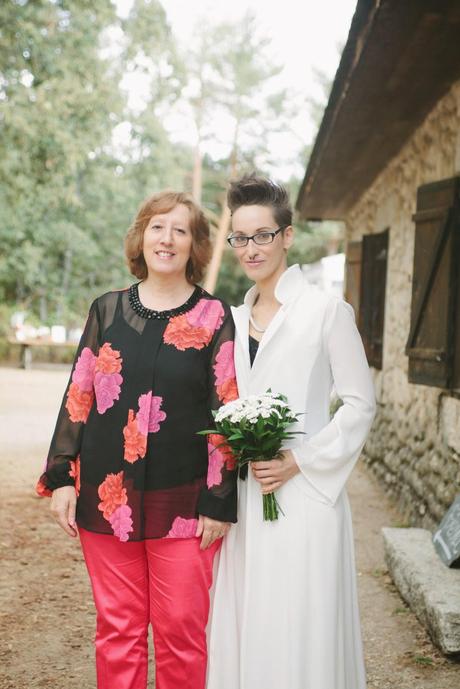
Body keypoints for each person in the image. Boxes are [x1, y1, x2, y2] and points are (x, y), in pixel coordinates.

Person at [36, 190, 239, 689]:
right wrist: (62, 475)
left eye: (180, 229)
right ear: (141, 236)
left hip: (185, 504)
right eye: (157, 226)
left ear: (195, 245)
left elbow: (226, 407)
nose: (166, 238)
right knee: (118, 630)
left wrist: (219, 498)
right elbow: (78, 394)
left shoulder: (215, 317)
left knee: (181, 633)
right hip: (108, 498)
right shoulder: (105, 311)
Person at [206, 175, 376, 689]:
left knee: (302, 622)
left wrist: (299, 460)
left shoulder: (326, 311)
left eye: (262, 235)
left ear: (287, 236)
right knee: (250, 616)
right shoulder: (231, 321)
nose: (250, 248)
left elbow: (360, 404)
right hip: (248, 497)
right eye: (240, 237)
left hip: (305, 494)